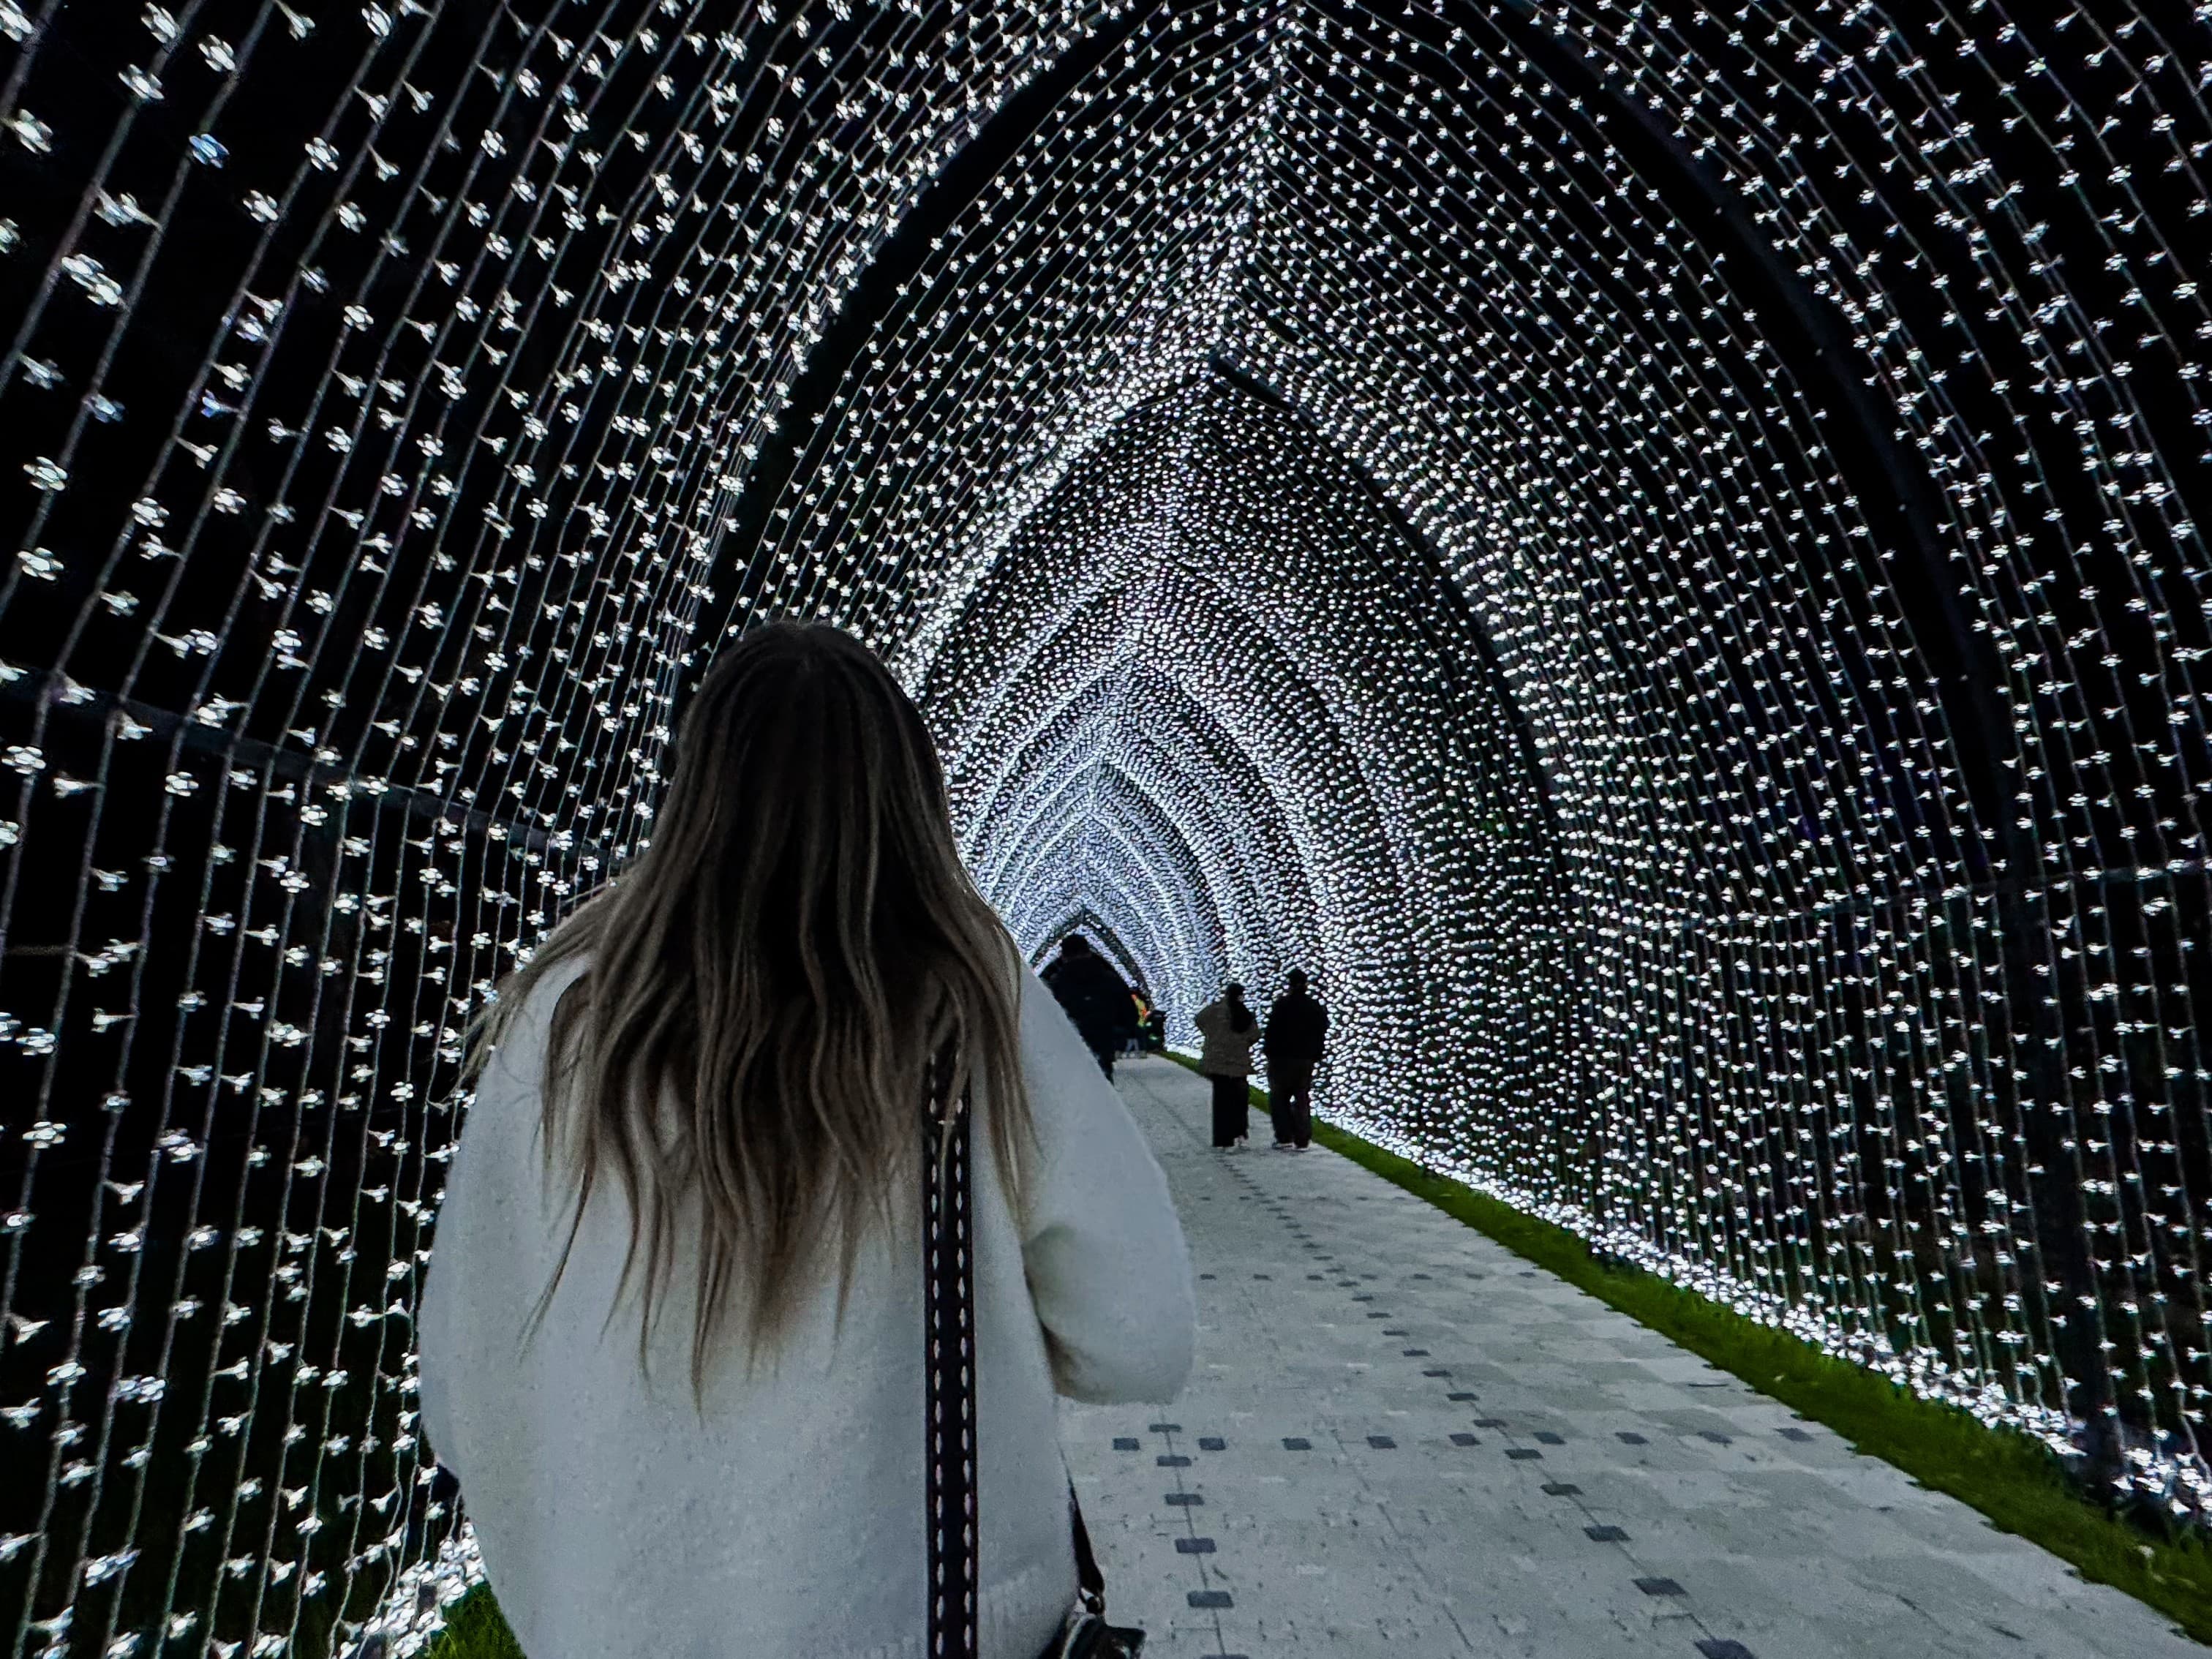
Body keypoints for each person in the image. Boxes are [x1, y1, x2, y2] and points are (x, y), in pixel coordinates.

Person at [415, 621, 1197, 1659]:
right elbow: (1142, 1335)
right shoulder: (965, 1009)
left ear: (694, 789)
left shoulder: (563, 1023)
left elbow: (460, 1399)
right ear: (909, 799)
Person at [1039, 934, 1139, 1078]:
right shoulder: (1111, 981)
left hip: (1066, 1050)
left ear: (1063, 956)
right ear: (1089, 953)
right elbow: (1130, 1017)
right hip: (1103, 1045)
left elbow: (1043, 1020)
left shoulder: (1055, 986)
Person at [1263, 969, 1328, 1151]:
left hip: (1282, 1058)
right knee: (1301, 1097)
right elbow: (1322, 1029)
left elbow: (1271, 1031)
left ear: (1289, 984)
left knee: (1279, 1098)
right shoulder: (1313, 1006)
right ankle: (1302, 1138)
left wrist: (1269, 1052)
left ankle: (1284, 1137)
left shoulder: (1282, 1005)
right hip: (1304, 1059)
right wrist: (1316, 1052)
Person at [1194, 982, 1260, 1150]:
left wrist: (1212, 1035)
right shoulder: (1245, 1014)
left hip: (1218, 1062)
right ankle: (1239, 1132)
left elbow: (1199, 1020)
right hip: (1239, 1063)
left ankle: (1222, 1138)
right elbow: (1255, 1035)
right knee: (1239, 1101)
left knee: (1221, 1101)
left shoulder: (1214, 1011)